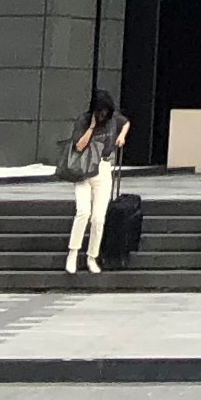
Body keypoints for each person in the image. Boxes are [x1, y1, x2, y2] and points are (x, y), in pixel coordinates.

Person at [58, 88, 129, 274]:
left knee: (98, 217)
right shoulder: (83, 120)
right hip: (83, 170)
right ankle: (73, 253)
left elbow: (126, 122)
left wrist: (121, 136)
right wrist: (91, 127)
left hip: (103, 169)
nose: (103, 115)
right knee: (83, 212)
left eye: (106, 112)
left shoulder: (113, 119)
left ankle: (92, 256)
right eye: (100, 111)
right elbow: (79, 146)